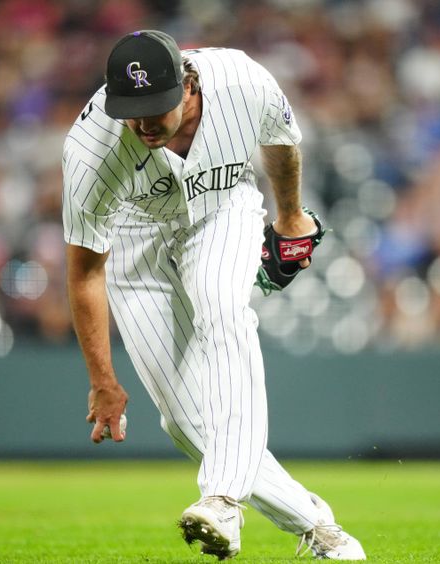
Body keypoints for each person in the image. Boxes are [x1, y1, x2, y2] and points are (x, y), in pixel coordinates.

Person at [62, 29, 366, 561]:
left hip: (221, 211)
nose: (143, 123)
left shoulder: (243, 80)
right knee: (184, 421)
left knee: (223, 314)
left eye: (155, 107)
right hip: (136, 243)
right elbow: (86, 271)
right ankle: (320, 528)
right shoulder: (92, 151)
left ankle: (222, 498)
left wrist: (291, 215)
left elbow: (281, 144)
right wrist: (102, 380)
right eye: (132, 110)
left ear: (189, 85)